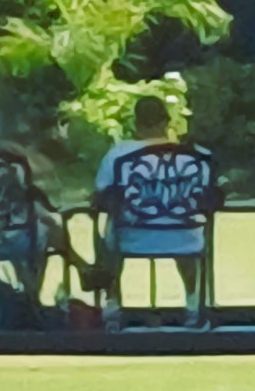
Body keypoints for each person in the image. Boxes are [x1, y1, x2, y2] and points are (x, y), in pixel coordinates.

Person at [90, 94, 217, 322]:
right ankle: (192, 304)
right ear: (166, 122)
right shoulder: (195, 156)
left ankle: (113, 305)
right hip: (185, 236)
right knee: (184, 233)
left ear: (135, 123)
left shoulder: (118, 154)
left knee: (106, 237)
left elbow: (101, 197)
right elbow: (211, 196)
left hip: (132, 236)